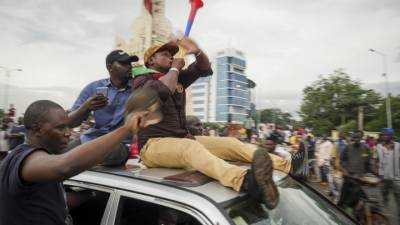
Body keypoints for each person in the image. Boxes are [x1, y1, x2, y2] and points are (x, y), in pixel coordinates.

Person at [132, 38, 291, 209]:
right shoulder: (142, 80)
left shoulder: (176, 76)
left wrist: (198, 52)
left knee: (230, 143)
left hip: (184, 138)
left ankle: (287, 165)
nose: (170, 57)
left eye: (172, 54)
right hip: (153, 145)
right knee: (189, 148)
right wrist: (175, 68)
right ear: (151, 60)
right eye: (164, 54)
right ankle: (245, 181)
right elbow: (163, 90)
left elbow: (204, 68)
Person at [0, 100, 148, 225]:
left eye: (68, 126)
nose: (68, 133)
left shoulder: (32, 161)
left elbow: (53, 201)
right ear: (37, 130)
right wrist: (126, 129)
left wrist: (93, 195)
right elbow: (65, 167)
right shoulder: (25, 158)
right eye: (60, 128)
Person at [66, 49, 139, 166]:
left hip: (120, 144)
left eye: (129, 63)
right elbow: (70, 122)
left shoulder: (138, 87)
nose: (129, 67)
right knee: (58, 156)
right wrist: (86, 107)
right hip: (91, 139)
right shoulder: (93, 87)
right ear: (110, 67)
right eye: (124, 64)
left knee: (109, 153)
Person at [338, 130, 372, 210]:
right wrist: (344, 171)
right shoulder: (348, 147)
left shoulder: (366, 148)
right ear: (353, 137)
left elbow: (368, 164)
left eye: (358, 137)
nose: (357, 139)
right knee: (342, 203)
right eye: (355, 137)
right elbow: (341, 162)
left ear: (361, 137)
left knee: (358, 204)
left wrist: (375, 174)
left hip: (360, 181)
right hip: (348, 179)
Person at [376, 128, 399, 224]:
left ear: (391, 136)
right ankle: (384, 220)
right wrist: (377, 173)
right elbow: (376, 160)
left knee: (399, 200)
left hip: (397, 179)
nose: (384, 136)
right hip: (383, 178)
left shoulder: (398, 146)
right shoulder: (379, 147)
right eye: (382, 135)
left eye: (386, 135)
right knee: (383, 199)